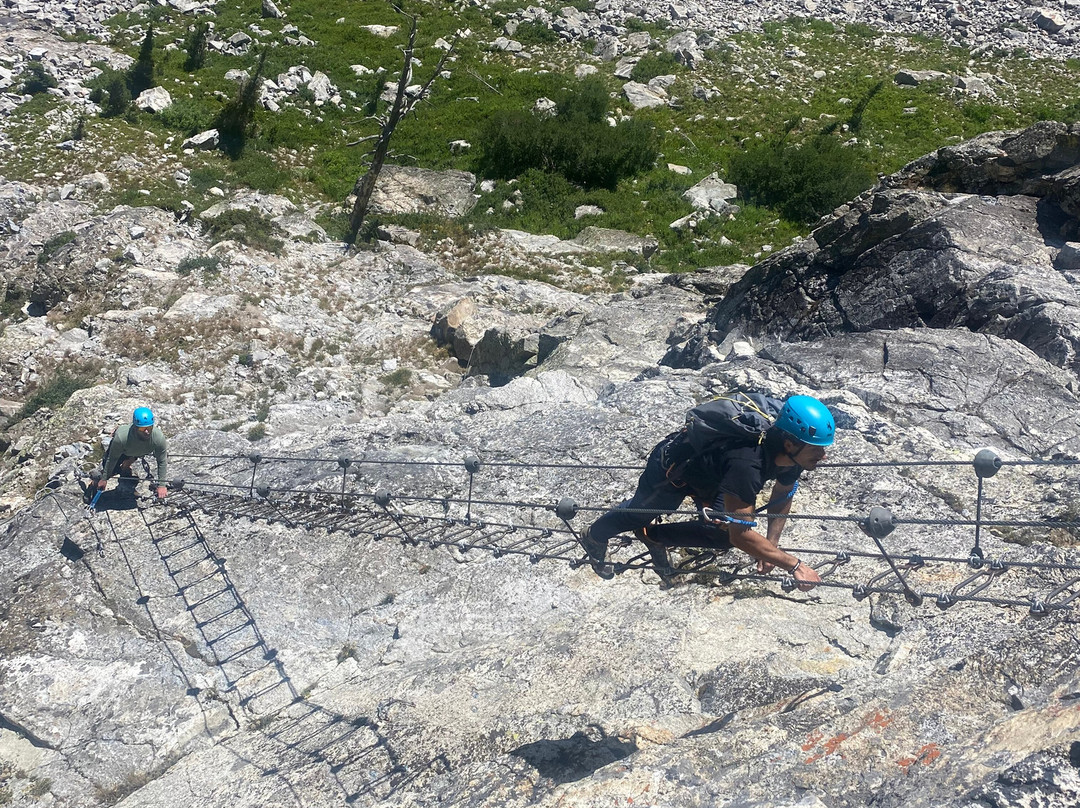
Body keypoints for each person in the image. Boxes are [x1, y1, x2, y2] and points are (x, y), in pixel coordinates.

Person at [581, 394, 835, 591]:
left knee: (720, 533)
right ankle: (595, 535)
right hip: (673, 472)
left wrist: (771, 546)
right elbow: (742, 536)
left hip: (716, 477)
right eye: (817, 450)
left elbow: (782, 496)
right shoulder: (747, 465)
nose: (824, 457)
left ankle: (654, 537)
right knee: (640, 513)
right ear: (789, 444)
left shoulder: (793, 458)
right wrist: (794, 565)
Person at [94, 407, 169, 501]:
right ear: (135, 427)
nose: (147, 431)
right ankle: (93, 482)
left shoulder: (158, 438)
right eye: (142, 428)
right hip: (122, 449)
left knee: (131, 459)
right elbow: (112, 459)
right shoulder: (121, 438)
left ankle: (127, 465)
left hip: (135, 451)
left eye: (149, 427)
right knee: (111, 472)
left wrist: (162, 485)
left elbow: (162, 461)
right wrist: (104, 478)